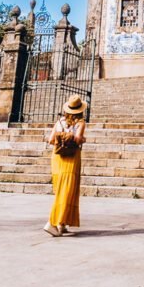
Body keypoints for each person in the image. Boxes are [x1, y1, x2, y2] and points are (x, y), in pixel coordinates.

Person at [44, 94, 86, 238]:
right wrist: (81, 139)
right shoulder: (80, 123)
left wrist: (62, 137)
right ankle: (52, 223)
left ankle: (62, 223)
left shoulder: (59, 122)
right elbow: (78, 139)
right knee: (67, 191)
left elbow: (50, 140)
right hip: (71, 159)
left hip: (57, 158)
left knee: (61, 190)